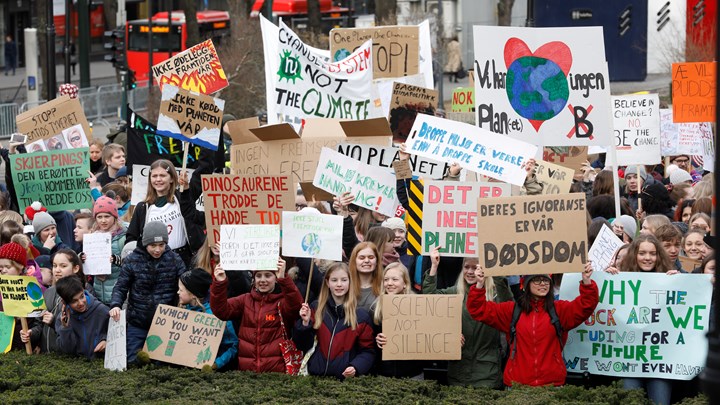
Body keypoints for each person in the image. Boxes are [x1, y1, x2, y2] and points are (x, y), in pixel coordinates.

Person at [466, 263, 598, 387]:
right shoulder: (511, 311)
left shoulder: (560, 310)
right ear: (526, 284)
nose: (543, 284)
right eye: (537, 280)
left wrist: (586, 281)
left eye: (546, 280)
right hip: (518, 386)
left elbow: (586, 305)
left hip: (552, 385)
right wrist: (479, 284)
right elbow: (478, 309)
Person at [423, 246, 513, 387]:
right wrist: (434, 266)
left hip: (487, 374)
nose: (470, 272)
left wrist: (495, 268)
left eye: (475, 267)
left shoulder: (495, 294)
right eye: (466, 267)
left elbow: (509, 306)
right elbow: (429, 301)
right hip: (458, 372)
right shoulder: (454, 292)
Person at [108, 221, 186, 364]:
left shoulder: (174, 260)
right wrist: (115, 305)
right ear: (145, 243)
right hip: (137, 323)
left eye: (161, 245)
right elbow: (121, 286)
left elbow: (186, 283)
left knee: (161, 365)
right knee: (132, 361)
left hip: (164, 323)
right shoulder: (132, 260)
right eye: (153, 245)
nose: (157, 249)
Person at [209, 258, 302, 373]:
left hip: (276, 373)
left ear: (276, 278)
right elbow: (221, 311)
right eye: (258, 276)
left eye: (268, 275)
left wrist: (284, 279)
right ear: (253, 279)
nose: (262, 280)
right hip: (248, 372)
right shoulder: (245, 300)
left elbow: (296, 308)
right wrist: (220, 283)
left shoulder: (282, 302)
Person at [295, 262, 375, 379]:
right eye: (334, 280)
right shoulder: (316, 309)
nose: (339, 284)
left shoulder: (361, 316)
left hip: (345, 381)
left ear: (350, 282)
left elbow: (368, 351)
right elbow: (302, 345)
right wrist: (305, 323)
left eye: (343, 280)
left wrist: (356, 366)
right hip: (315, 377)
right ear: (327, 282)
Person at [126, 160, 203, 267]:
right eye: (154, 176)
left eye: (162, 175)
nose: (158, 179)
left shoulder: (183, 197)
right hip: (156, 264)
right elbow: (131, 238)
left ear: (171, 178)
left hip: (185, 260)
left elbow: (204, 170)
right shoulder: (142, 207)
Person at [178, 268, 238, 371]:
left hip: (213, 373)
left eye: (181, 289)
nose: (178, 292)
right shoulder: (183, 311)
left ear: (192, 294)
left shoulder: (217, 315)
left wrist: (216, 364)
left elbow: (234, 345)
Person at [372, 263, 424, 378]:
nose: (389, 283)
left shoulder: (418, 306)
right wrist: (377, 340)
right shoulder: (376, 308)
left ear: (405, 283)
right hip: (385, 373)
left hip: (412, 374)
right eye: (386, 280)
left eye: (395, 279)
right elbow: (369, 343)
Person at [54, 276, 109, 359]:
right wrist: (65, 329)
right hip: (78, 365)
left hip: (100, 363)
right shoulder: (62, 319)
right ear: (64, 302)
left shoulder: (101, 311)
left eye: (82, 296)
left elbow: (118, 335)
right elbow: (67, 351)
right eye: (74, 301)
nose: (81, 303)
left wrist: (106, 341)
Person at [88, 196, 126, 305]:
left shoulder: (122, 237)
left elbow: (130, 265)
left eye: (107, 216)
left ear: (114, 216)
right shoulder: (92, 236)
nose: (103, 220)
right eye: (99, 217)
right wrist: (83, 258)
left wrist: (116, 260)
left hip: (118, 296)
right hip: (98, 294)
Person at [348, 242, 383, 312]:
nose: (367, 261)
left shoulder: (385, 285)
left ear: (377, 261)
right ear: (354, 261)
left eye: (371, 257)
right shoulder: (345, 285)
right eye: (362, 258)